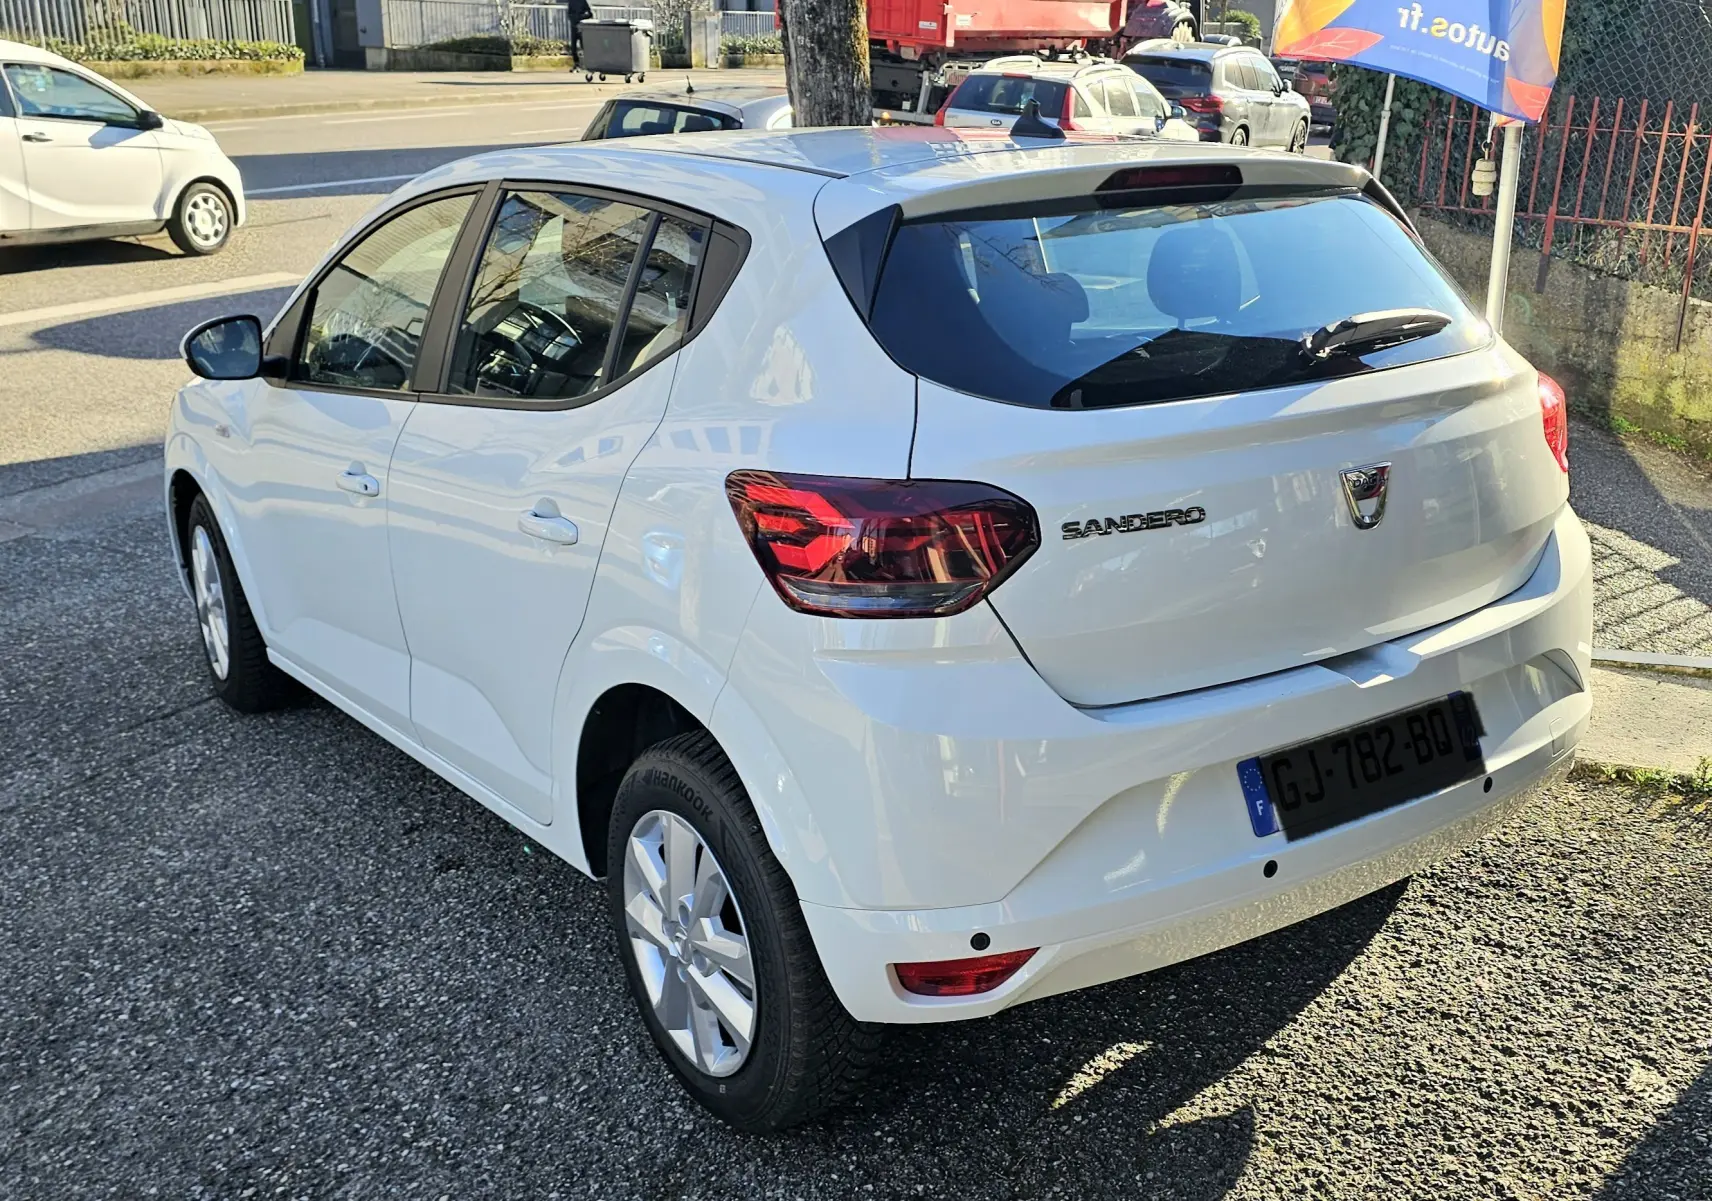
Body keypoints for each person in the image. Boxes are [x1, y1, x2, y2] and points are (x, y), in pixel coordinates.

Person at [568, 0, 594, 66]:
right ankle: (576, 62)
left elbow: (590, 13)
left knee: (583, 45)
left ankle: (586, 62)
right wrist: (575, 20)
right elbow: (569, 14)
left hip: (581, 26)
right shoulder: (571, 1)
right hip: (575, 26)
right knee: (574, 47)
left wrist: (582, 17)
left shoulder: (582, 1)